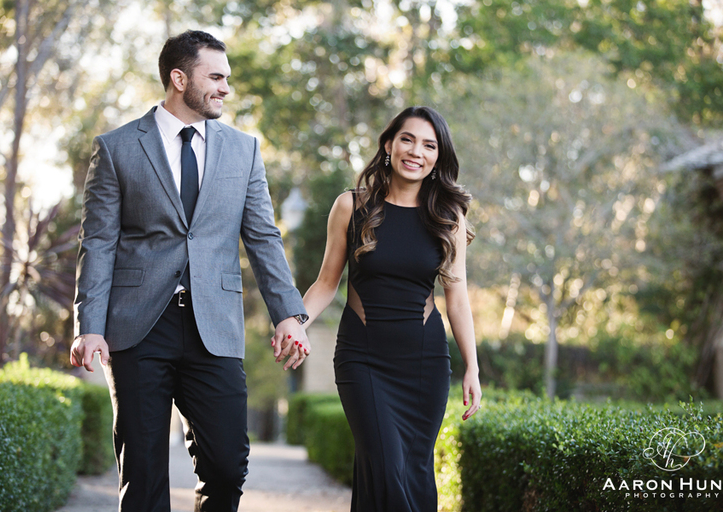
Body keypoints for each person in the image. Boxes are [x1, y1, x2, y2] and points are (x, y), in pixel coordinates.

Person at [69, 30, 310, 512]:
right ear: (179, 78)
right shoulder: (117, 148)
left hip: (214, 327)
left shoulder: (244, 150)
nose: (226, 88)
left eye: (227, 78)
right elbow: (97, 243)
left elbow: (263, 236)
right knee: (143, 474)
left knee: (226, 465)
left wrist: (289, 313)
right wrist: (89, 326)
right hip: (137, 327)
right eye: (215, 77)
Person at [301, 106, 482, 511]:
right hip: (362, 360)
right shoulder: (351, 206)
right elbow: (326, 283)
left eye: (429, 145)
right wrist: (294, 324)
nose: (416, 151)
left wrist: (471, 365)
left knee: (414, 471)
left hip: (424, 363)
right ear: (389, 145)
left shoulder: (447, 217)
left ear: (438, 156)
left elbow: (457, 296)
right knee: (384, 464)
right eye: (408, 139)